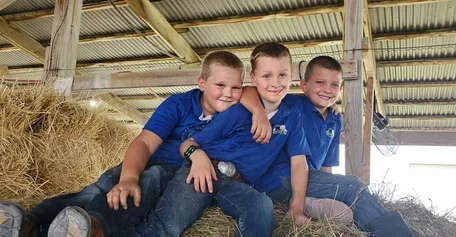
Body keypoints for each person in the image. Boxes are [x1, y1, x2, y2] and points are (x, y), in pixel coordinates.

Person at [0, 50, 247, 237]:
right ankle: (29, 223)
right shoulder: (179, 104)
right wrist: (128, 177)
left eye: (236, 87)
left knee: (148, 181)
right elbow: (145, 143)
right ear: (201, 83)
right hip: (151, 160)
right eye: (220, 85)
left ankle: (92, 227)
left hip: (175, 174)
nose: (228, 93)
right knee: (101, 187)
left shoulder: (238, 116)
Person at [131, 42, 311, 237]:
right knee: (168, 226)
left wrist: (297, 206)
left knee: (261, 206)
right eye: (267, 76)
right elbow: (187, 144)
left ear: (291, 75)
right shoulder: (237, 111)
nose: (276, 83)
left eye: (282, 75)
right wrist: (198, 157)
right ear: (253, 79)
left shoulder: (293, 116)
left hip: (236, 184)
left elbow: (299, 162)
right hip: (205, 170)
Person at [241, 55, 415, 237]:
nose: (327, 90)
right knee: (352, 187)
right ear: (303, 85)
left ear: (340, 89)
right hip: (280, 179)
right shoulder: (292, 104)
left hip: (308, 181)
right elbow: (246, 91)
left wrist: (331, 190)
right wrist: (258, 111)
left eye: (334, 85)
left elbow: (325, 167)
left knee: (344, 200)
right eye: (320, 82)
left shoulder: (335, 120)